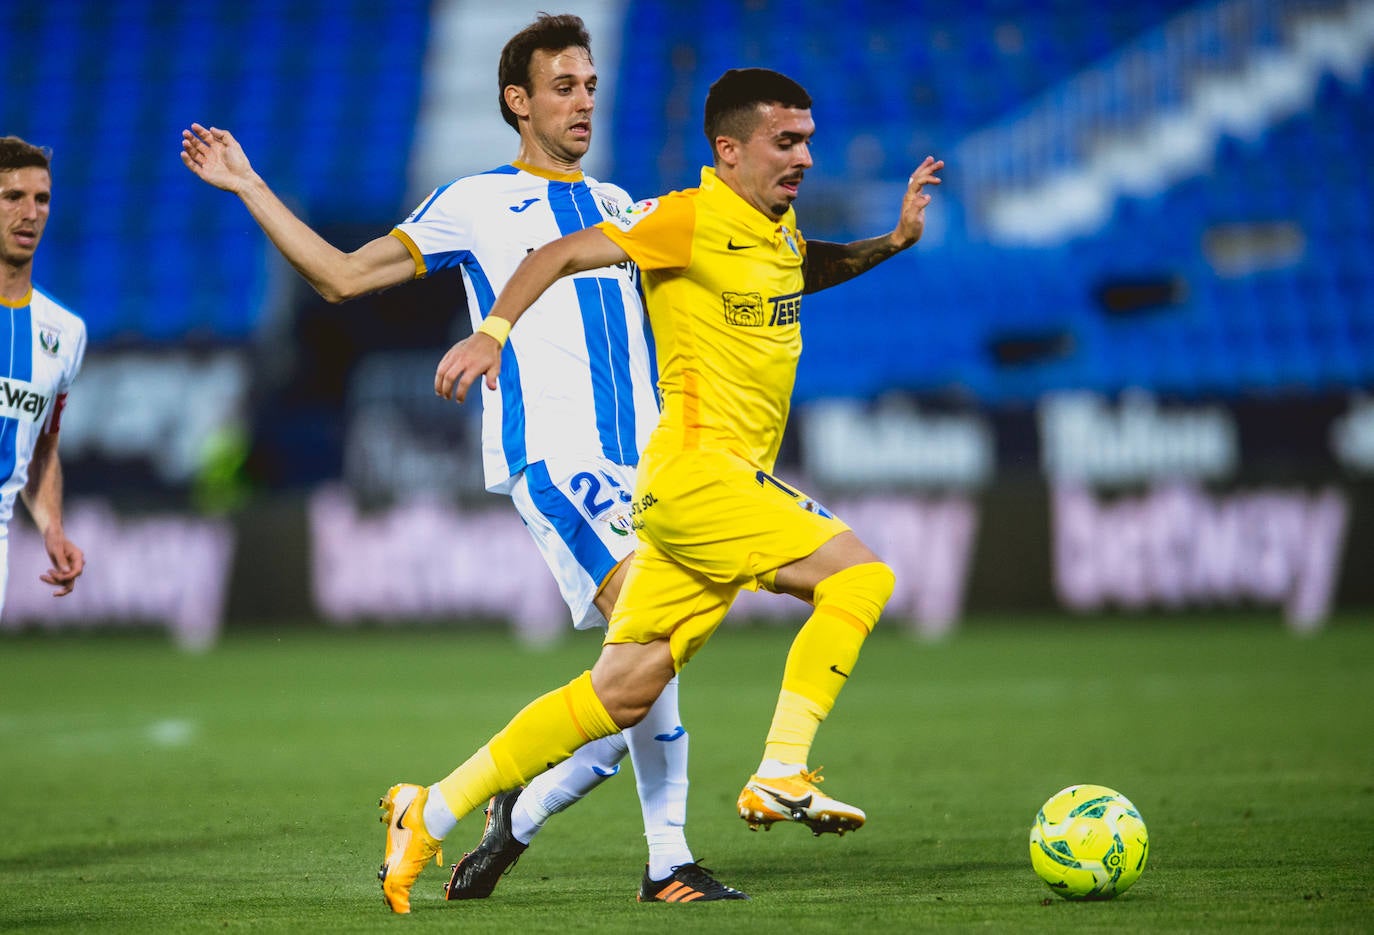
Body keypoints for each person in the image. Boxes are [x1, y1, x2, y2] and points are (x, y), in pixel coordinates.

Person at [179, 12, 745, 914]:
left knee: (642, 671)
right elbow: (340, 275)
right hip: (559, 462)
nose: (584, 101)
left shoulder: (616, 205)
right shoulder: (477, 202)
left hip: (649, 468)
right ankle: (656, 860)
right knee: (652, 644)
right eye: (564, 87)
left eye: (592, 85)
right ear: (518, 102)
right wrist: (249, 186)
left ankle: (516, 812)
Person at [413, 67, 944, 908]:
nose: (804, 155)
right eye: (785, 141)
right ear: (728, 150)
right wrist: (493, 331)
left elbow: (799, 268)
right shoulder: (683, 218)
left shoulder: (771, 229)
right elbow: (557, 252)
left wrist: (893, 240)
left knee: (624, 687)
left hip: (697, 489)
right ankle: (780, 769)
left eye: (808, 139)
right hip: (699, 474)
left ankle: (437, 807)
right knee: (859, 575)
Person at [0, 137, 87, 619]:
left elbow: (44, 449)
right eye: (13, 197)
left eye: (42, 198)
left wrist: (52, 527)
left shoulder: (65, 333)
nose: (30, 213)